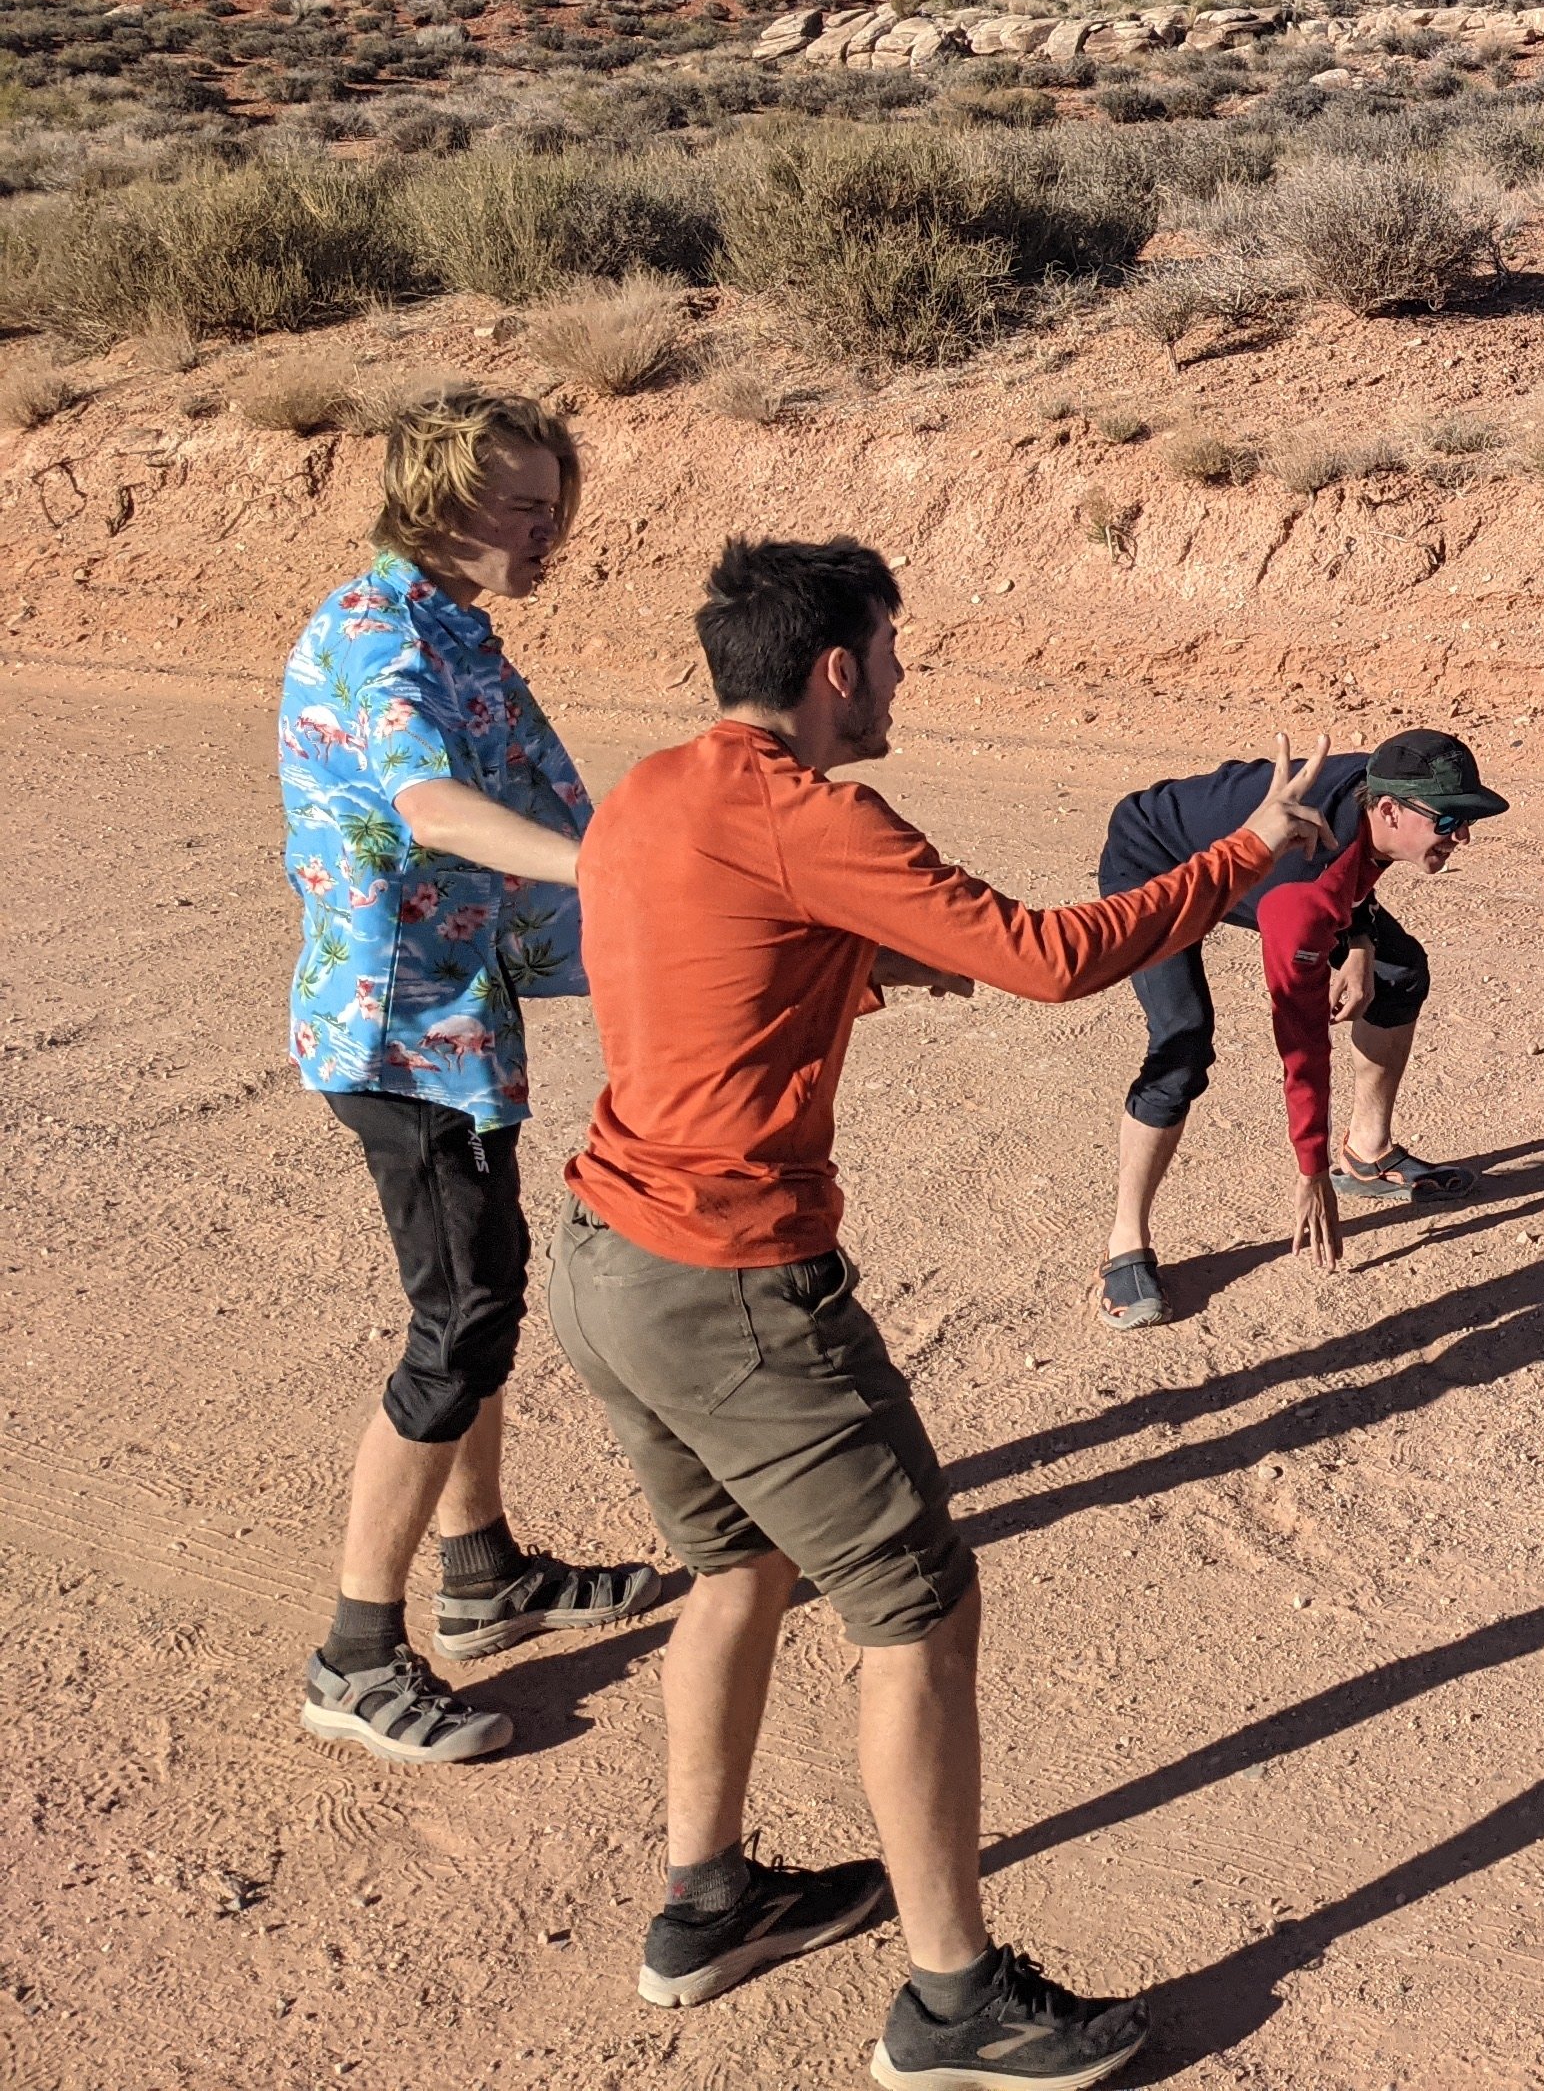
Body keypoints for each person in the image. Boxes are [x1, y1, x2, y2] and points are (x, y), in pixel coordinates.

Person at [551, 536, 1336, 2085]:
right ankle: (950, 2001)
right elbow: (1054, 962)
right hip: (736, 1285)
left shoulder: (650, 788)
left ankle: (709, 1908)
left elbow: (689, 968)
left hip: (607, 1258)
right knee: (918, 1610)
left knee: (741, 1566)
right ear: (836, 667)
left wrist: (856, 977)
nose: (902, 675)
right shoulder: (811, 812)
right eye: (892, 651)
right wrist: (1248, 851)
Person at [281, 387, 674, 1767]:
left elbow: (537, 805)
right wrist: (622, 874)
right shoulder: (382, 631)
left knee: (478, 1307)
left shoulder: (453, 629)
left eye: (557, 501)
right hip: (402, 1038)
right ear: (442, 502)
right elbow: (431, 804)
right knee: (459, 1329)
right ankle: (353, 1653)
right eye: (522, 502)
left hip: (456, 1023)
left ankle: (483, 1573)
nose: (551, 527)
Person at [1092, 728, 1509, 1329]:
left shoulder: (1370, 794)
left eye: (1467, 819)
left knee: (1395, 971)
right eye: (1449, 820)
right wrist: (1310, 1170)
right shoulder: (1301, 895)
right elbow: (1302, 1041)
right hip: (1154, 858)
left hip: (1267, 866)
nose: (1462, 836)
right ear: (1389, 808)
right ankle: (1124, 1243)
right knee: (1182, 1039)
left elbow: (1355, 863)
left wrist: (1360, 941)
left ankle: (1368, 1155)